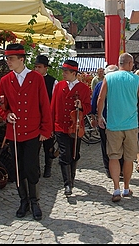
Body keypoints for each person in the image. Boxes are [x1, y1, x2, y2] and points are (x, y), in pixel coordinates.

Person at [0, 43, 52, 221]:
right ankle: (23, 201)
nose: (8, 62)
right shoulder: (5, 80)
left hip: (33, 131)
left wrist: (46, 129)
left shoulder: (36, 78)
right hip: (15, 132)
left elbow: (45, 105)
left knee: (31, 167)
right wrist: (7, 114)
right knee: (18, 169)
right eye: (7, 58)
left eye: (11, 59)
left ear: (21, 59)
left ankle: (35, 201)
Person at [97, 52, 139, 202]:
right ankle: (126, 187)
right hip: (131, 125)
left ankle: (115, 189)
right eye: (132, 64)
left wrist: (100, 116)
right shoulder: (136, 79)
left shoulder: (108, 78)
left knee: (113, 157)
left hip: (113, 125)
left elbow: (101, 98)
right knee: (128, 158)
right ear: (128, 63)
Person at [51, 59, 92, 196]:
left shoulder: (84, 88)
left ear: (74, 73)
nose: (63, 74)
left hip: (76, 126)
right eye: (63, 71)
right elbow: (53, 106)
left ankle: (72, 178)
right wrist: (51, 124)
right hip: (60, 126)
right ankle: (67, 184)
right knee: (64, 154)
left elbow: (88, 107)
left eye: (66, 72)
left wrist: (81, 106)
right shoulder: (59, 86)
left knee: (75, 153)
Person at [90, 64, 124, 179]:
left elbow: (94, 102)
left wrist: (94, 116)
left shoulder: (100, 85)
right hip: (119, 120)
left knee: (106, 145)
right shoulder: (121, 85)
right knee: (120, 144)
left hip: (104, 119)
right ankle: (121, 168)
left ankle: (109, 169)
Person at [33, 54, 58, 178]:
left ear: (45, 68)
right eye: (35, 67)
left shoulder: (53, 82)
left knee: (48, 146)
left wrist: (52, 123)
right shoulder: (31, 80)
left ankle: (48, 167)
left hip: (47, 118)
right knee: (34, 147)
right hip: (34, 119)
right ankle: (36, 169)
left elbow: (55, 103)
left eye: (39, 67)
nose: (36, 69)